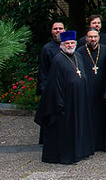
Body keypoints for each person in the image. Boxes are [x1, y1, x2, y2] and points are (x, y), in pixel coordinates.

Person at [34, 30, 94, 164]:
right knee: (67, 129)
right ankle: (67, 155)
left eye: (72, 43)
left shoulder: (78, 56)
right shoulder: (58, 60)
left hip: (79, 100)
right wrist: (59, 102)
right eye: (67, 43)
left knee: (80, 126)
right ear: (62, 45)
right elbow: (54, 84)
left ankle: (80, 151)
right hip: (66, 101)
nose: (70, 45)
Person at [78, 28, 106, 151]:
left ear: (99, 37)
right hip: (87, 89)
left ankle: (101, 144)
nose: (93, 39)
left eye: (95, 37)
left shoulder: (105, 49)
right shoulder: (80, 52)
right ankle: (89, 144)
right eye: (90, 37)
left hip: (101, 88)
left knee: (101, 117)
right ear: (86, 38)